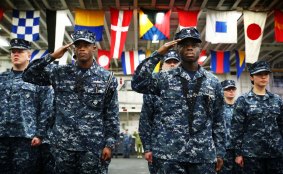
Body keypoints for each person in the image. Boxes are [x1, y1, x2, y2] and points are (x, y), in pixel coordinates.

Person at [22, 30, 120, 174]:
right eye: (78, 45)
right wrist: (52, 56)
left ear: (94, 47)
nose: (81, 48)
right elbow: (28, 75)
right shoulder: (60, 73)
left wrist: (110, 144)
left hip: (92, 147)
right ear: (73, 48)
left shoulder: (107, 78)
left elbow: (111, 114)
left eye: (86, 45)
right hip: (62, 146)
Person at [132, 27, 226, 173]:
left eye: (194, 44)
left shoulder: (213, 82)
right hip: (169, 155)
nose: (189, 47)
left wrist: (220, 152)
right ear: (177, 48)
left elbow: (219, 120)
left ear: (200, 49)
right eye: (184, 44)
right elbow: (138, 83)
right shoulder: (164, 79)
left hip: (202, 155)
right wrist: (158, 54)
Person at [0, 38, 53, 174]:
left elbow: (46, 108)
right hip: (3, 136)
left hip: (26, 138)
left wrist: (40, 135)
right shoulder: (2, 78)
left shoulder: (39, 79)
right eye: (13, 52)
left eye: (20, 51)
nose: (15, 54)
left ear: (29, 55)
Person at [231, 61, 283, 174]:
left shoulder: (277, 100)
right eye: (259, 74)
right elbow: (237, 129)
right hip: (252, 154)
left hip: (275, 152)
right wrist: (238, 153)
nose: (263, 77)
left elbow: (281, 125)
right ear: (252, 77)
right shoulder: (243, 100)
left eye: (266, 74)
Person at [139, 50, 180, 173]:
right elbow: (146, 120)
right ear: (162, 65)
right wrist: (147, 148)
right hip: (160, 149)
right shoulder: (153, 87)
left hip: (185, 151)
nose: (172, 64)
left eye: (175, 62)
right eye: (168, 62)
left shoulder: (188, 86)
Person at [218, 80, 241, 174]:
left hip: (238, 149)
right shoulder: (218, 108)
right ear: (222, 91)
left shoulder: (240, 107)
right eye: (228, 89)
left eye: (233, 89)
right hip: (224, 148)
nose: (231, 91)